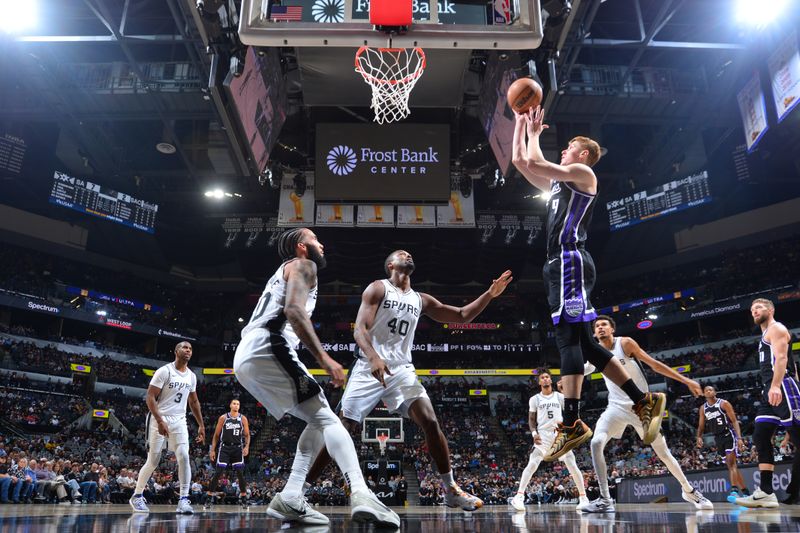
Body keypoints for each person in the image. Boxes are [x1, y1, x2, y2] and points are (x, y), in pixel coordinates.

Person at [511, 105, 666, 460]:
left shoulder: (582, 173)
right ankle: (643, 401)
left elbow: (537, 162)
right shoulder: (558, 184)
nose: (563, 151)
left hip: (569, 260)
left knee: (567, 341)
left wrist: (535, 134)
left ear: (582, 154)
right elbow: (523, 163)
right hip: (559, 265)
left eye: (566, 147)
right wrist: (520, 122)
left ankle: (572, 422)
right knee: (587, 345)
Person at [304, 249, 512, 511]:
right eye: (403, 254)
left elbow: (461, 316)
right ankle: (303, 490)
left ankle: (450, 489)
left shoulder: (420, 299)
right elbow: (360, 329)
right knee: (341, 427)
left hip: (402, 370)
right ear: (391, 264)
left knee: (430, 420)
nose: (409, 255)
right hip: (369, 366)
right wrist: (373, 357)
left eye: (411, 254)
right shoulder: (378, 289)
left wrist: (489, 295)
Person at [233, 228, 399, 528]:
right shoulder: (303, 265)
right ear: (302, 247)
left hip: (247, 356)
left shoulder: (280, 272)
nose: (321, 244)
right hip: (268, 344)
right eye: (315, 240)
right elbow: (294, 311)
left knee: (317, 419)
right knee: (330, 421)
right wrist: (324, 358)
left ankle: (292, 496)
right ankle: (361, 493)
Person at [578, 315, 712, 512]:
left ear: (612, 329)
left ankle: (689, 491)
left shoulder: (625, 343)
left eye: (604, 324)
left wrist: (686, 381)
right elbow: (583, 370)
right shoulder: (595, 352)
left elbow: (654, 364)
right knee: (596, 443)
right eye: (596, 326)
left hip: (642, 408)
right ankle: (605, 499)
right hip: (615, 408)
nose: (600, 328)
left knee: (664, 454)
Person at [736, 298, 800, 508]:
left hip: (782, 387)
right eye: (752, 308)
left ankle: (793, 491)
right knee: (760, 436)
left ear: (771, 310)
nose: (754, 311)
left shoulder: (777, 328)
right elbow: (793, 363)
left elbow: (782, 360)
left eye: (759, 307)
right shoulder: (764, 335)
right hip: (770, 391)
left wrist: (776, 385)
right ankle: (765, 492)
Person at [130, 341, 205, 515]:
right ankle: (137, 495)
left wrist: (201, 424)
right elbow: (150, 397)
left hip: (179, 420)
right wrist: (160, 420)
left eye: (190, 348)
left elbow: (193, 401)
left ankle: (184, 499)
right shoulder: (164, 371)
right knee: (153, 461)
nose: (188, 350)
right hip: (159, 418)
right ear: (176, 351)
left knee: (184, 456)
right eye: (184, 347)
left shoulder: (192, 376)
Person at [509, 369, 589, 512]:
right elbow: (531, 419)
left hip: (559, 435)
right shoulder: (534, 399)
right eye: (542, 378)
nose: (545, 379)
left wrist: (565, 392)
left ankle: (583, 497)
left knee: (572, 464)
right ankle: (519, 497)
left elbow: (573, 409)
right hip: (543, 436)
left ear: (551, 380)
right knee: (532, 463)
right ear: (539, 382)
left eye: (547, 377)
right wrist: (534, 433)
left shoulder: (559, 397)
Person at [697, 384, 748, 502]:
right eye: (706, 390)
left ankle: (734, 491)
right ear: (704, 394)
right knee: (731, 466)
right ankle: (745, 492)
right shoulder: (703, 408)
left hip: (728, 434)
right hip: (718, 438)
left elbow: (734, 421)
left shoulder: (723, 403)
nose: (709, 391)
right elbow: (701, 425)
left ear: (715, 392)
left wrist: (739, 438)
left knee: (731, 464)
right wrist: (699, 436)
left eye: (711, 390)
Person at [206, 398, 250, 510]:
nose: (236, 405)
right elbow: (216, 435)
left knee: (240, 473)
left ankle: (244, 499)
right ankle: (209, 497)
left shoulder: (243, 418)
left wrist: (246, 446)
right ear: (230, 405)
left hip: (237, 448)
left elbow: (247, 435)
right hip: (224, 447)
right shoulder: (223, 418)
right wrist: (212, 450)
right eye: (234, 403)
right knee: (218, 472)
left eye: (238, 404)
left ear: (239, 407)